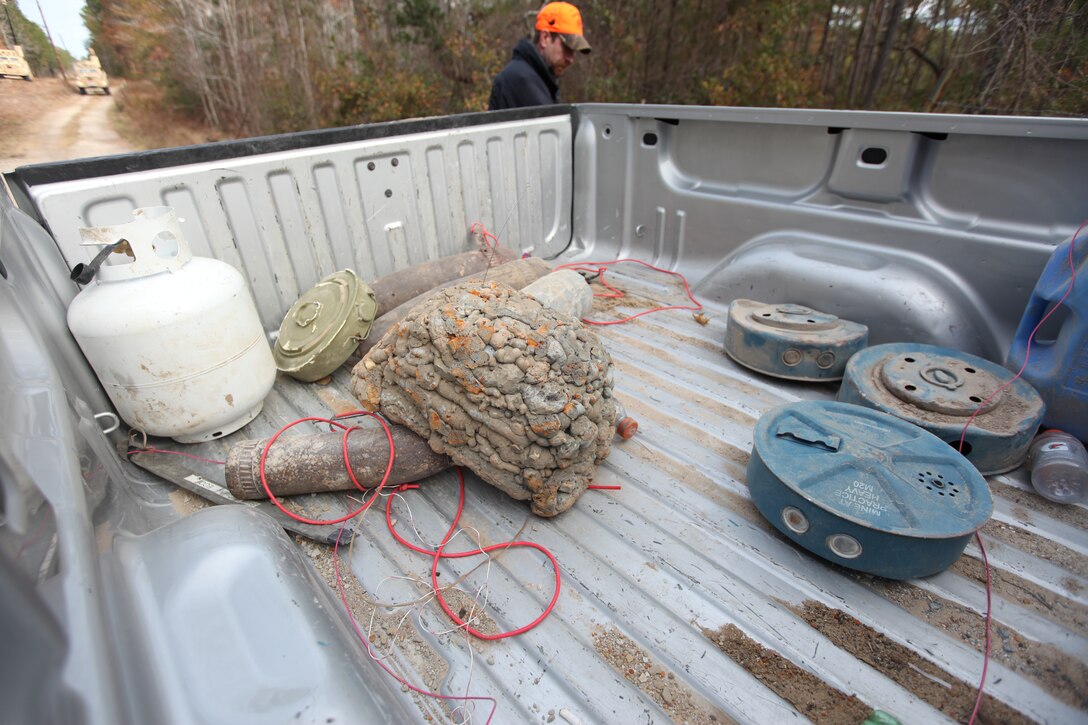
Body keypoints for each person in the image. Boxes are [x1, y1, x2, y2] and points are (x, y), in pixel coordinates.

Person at [489, 2, 591, 111]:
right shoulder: (521, 80)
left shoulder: (540, 81)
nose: (570, 59)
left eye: (573, 51)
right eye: (566, 48)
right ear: (545, 38)